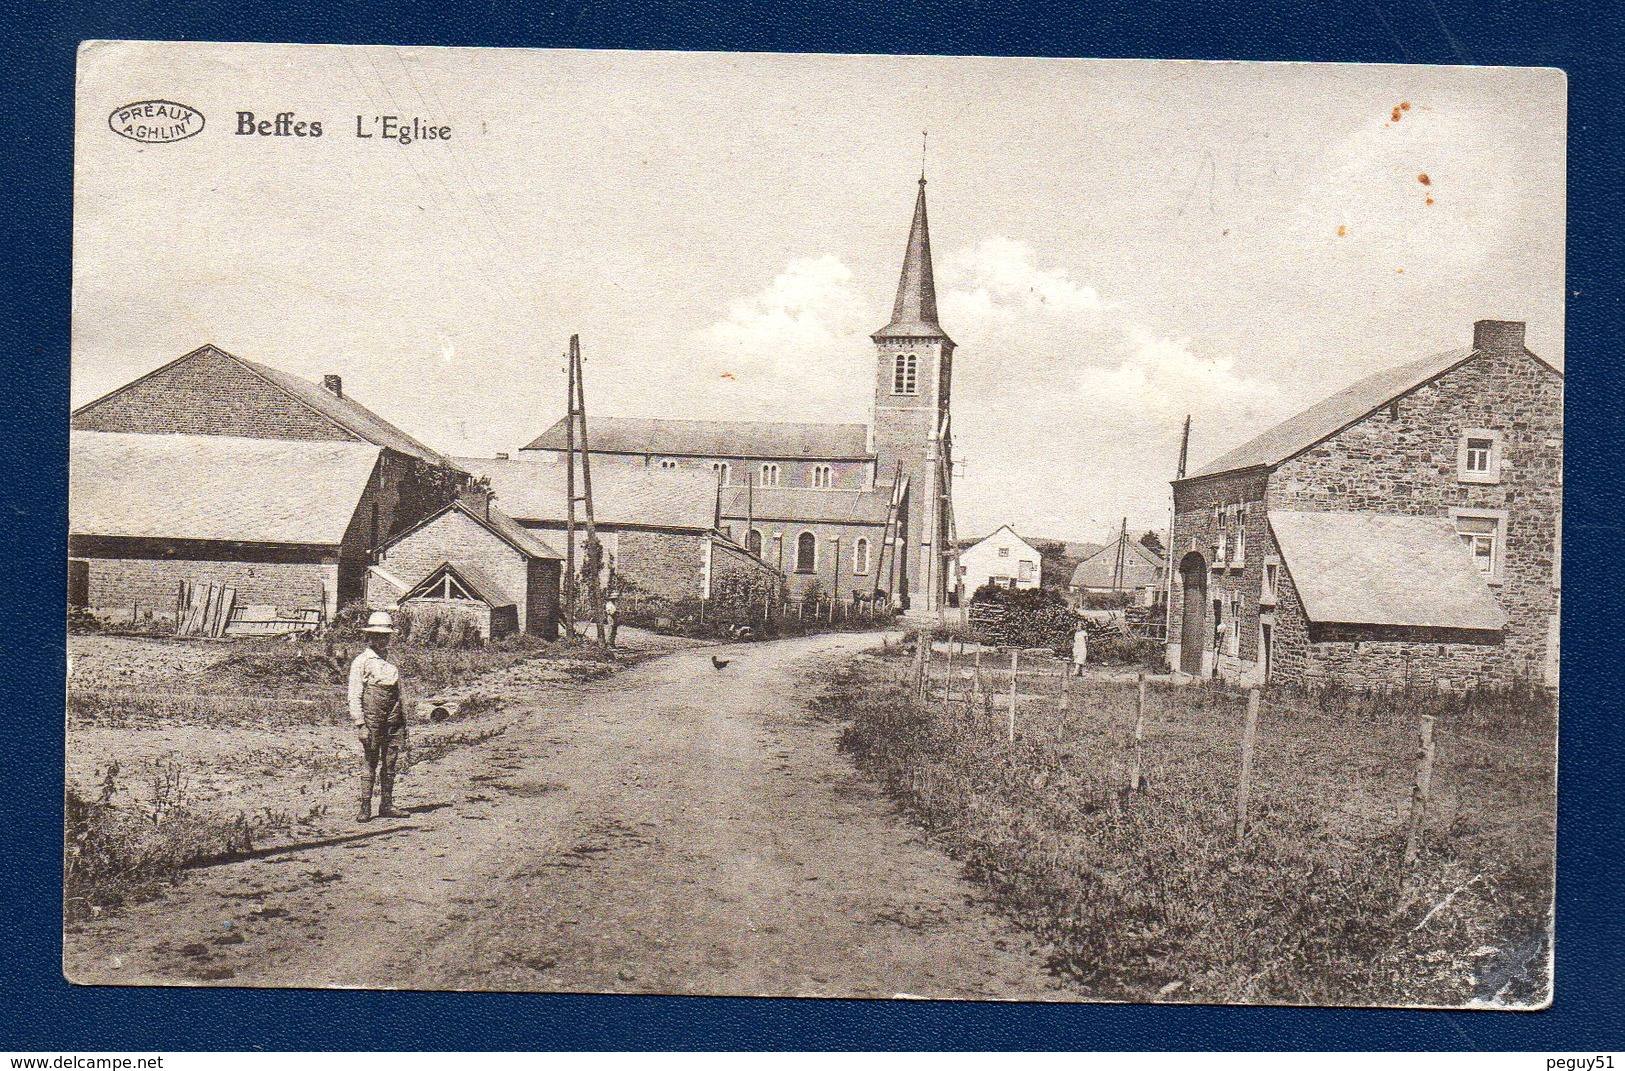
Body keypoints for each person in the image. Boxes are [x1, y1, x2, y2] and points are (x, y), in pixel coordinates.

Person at [348, 610, 407, 822]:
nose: (382, 640)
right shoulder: (362, 661)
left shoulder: (393, 662)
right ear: (370, 637)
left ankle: (387, 804)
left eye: (386, 636)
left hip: (393, 716)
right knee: (371, 759)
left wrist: (403, 720)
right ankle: (365, 806)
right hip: (372, 719)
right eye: (378, 636)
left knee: (390, 760)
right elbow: (354, 695)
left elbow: (400, 693)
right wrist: (360, 724)